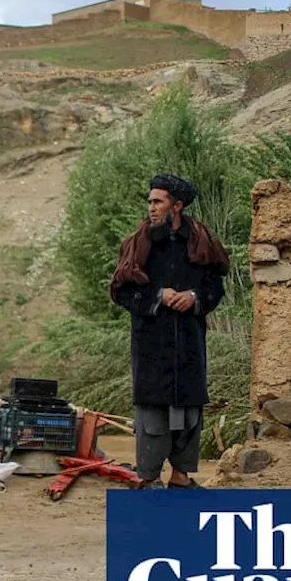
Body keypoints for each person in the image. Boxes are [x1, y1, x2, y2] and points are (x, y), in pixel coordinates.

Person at [109, 174, 229, 489]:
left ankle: (180, 477)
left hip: (189, 341)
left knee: (188, 413)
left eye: (158, 202)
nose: (151, 208)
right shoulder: (138, 245)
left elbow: (215, 287)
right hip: (152, 345)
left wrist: (194, 298)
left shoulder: (201, 242)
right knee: (152, 414)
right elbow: (121, 291)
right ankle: (148, 478)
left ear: (177, 206)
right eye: (149, 202)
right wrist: (158, 296)